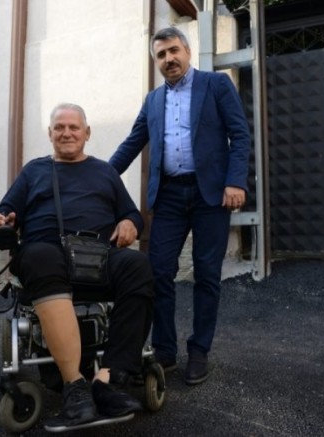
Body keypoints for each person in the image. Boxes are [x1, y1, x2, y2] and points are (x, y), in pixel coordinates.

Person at [0, 103, 154, 431]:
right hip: (46, 257)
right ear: (50, 133)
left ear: (87, 133)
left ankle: (108, 380)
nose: (67, 133)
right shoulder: (33, 171)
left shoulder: (105, 172)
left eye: (74, 127)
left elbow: (132, 214)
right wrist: (0, 221)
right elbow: (5, 212)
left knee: (138, 265)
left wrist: (129, 223)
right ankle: (74, 387)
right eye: (60, 127)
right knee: (39, 255)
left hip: (98, 258)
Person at [109, 27, 251, 386]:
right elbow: (132, 143)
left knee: (207, 274)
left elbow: (240, 134)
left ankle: (199, 350)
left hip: (210, 195)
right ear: (156, 61)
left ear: (187, 51)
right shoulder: (153, 100)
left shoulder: (216, 85)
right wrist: (99, 177)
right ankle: (165, 350)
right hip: (169, 196)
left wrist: (236, 181)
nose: (168, 59)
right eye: (161, 54)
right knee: (158, 272)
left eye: (174, 50)